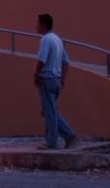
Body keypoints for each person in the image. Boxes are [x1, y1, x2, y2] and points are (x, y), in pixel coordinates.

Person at [33, 13, 77, 150]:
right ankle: (68, 135)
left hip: (46, 79)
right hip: (56, 80)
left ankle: (53, 141)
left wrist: (35, 74)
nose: (36, 26)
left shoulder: (46, 39)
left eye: (38, 23)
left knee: (49, 112)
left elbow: (41, 59)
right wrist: (62, 78)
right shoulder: (57, 39)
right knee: (50, 110)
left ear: (43, 24)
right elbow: (66, 61)